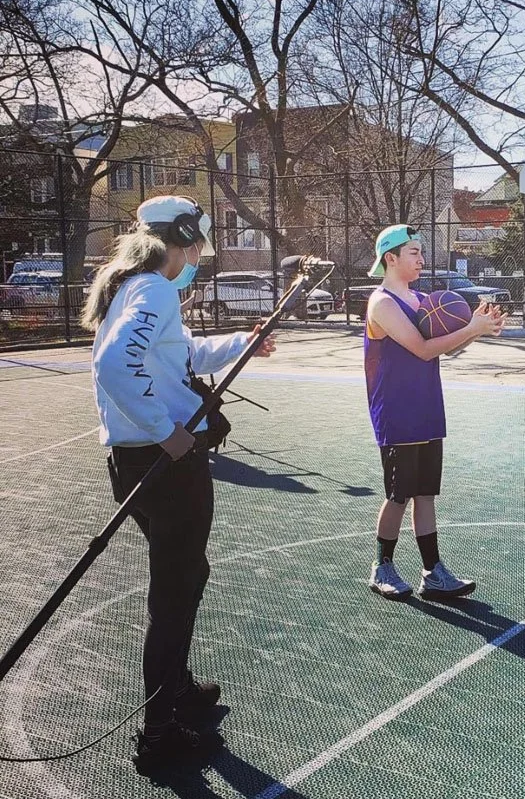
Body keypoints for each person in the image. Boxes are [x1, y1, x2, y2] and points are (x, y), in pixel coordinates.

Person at [82, 195, 277, 773]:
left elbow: (179, 354)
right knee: (175, 591)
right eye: (197, 248)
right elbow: (115, 365)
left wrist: (242, 342)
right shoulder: (155, 288)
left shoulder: (135, 285)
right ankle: (159, 729)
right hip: (163, 464)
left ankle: (177, 688)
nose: (198, 259)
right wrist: (165, 429)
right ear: (184, 241)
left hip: (135, 460)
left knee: (185, 575)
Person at [363, 224, 504, 601]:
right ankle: (382, 566)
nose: (422, 259)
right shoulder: (382, 303)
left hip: (426, 407)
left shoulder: (421, 299)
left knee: (425, 493)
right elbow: (422, 349)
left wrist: (479, 327)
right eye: (413, 253)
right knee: (398, 495)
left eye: (421, 253)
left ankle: (433, 572)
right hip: (397, 413)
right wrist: (471, 328)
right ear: (390, 258)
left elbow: (443, 347)